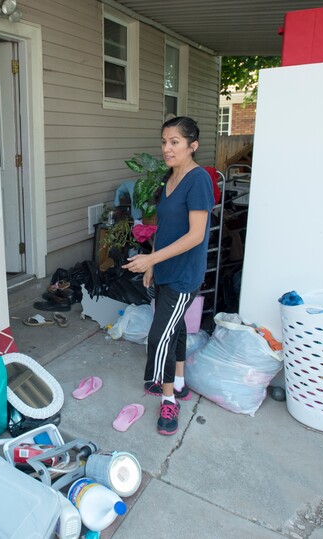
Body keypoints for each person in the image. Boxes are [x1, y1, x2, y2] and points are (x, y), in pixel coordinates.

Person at [122, 116, 214, 435]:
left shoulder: (198, 180)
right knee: (174, 330)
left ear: (193, 146)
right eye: (164, 141)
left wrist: (152, 259)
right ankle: (182, 383)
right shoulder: (169, 177)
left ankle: (168, 398)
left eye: (175, 142)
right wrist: (153, 265)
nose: (167, 148)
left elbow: (195, 235)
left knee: (158, 337)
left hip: (184, 274)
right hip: (166, 270)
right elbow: (164, 228)